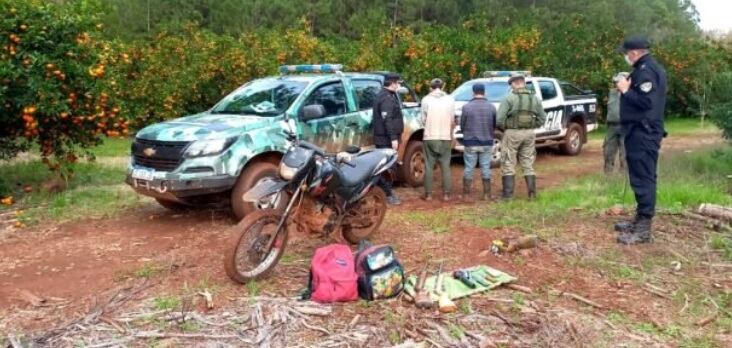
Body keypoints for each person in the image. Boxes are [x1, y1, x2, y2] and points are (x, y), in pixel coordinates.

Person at [614, 36, 667, 245]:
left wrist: (625, 90)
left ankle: (644, 228)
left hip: (643, 132)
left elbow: (646, 101)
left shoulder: (645, 71)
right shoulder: (649, 68)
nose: (626, 57)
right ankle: (639, 219)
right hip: (641, 131)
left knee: (644, 177)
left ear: (634, 53)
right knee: (640, 174)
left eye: (626, 53)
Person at [496, 73, 546, 200]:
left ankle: (507, 196)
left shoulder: (509, 98)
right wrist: (532, 125)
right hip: (529, 133)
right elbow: (542, 118)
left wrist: (506, 127)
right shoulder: (534, 98)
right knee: (528, 162)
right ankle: (532, 195)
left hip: (512, 133)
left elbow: (499, 119)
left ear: (513, 84)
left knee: (508, 161)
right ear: (523, 83)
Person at [459, 83, 497, 201]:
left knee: (469, 167)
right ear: (484, 92)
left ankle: (466, 195)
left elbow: (462, 125)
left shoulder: (466, 107)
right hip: (486, 141)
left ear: (473, 92)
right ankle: (487, 194)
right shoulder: (491, 107)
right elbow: (494, 124)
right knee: (486, 167)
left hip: (470, 142)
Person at [420, 78, 456, 201]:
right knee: (445, 166)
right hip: (445, 136)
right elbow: (452, 119)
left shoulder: (426, 99)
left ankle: (429, 195)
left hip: (430, 136)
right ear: (443, 86)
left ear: (431, 87)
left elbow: (423, 119)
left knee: (429, 166)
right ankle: (446, 194)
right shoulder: (450, 100)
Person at [372, 73, 405, 205]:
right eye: (398, 82)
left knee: (388, 167)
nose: (399, 85)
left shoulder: (387, 95)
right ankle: (388, 195)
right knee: (387, 168)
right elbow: (387, 119)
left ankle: (385, 192)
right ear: (392, 83)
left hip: (385, 137)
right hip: (386, 139)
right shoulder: (386, 98)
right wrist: (393, 138)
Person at [603, 72, 629, 174]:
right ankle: (608, 177)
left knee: (625, 154)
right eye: (616, 81)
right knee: (608, 152)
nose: (616, 83)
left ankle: (624, 178)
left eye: (619, 81)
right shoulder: (612, 92)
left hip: (626, 127)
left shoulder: (631, 93)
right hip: (611, 127)